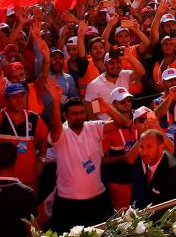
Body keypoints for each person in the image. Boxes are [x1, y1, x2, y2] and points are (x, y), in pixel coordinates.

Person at [45, 79, 129, 234]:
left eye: (82, 112)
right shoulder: (61, 134)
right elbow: (55, 125)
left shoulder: (93, 127)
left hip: (97, 198)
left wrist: (108, 108)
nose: (79, 116)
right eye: (74, 113)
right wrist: (55, 102)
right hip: (68, 202)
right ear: (66, 115)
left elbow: (121, 122)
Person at [131, 129, 176, 209]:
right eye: (141, 147)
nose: (144, 152)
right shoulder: (152, 159)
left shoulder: (173, 173)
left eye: (149, 147)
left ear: (160, 147)